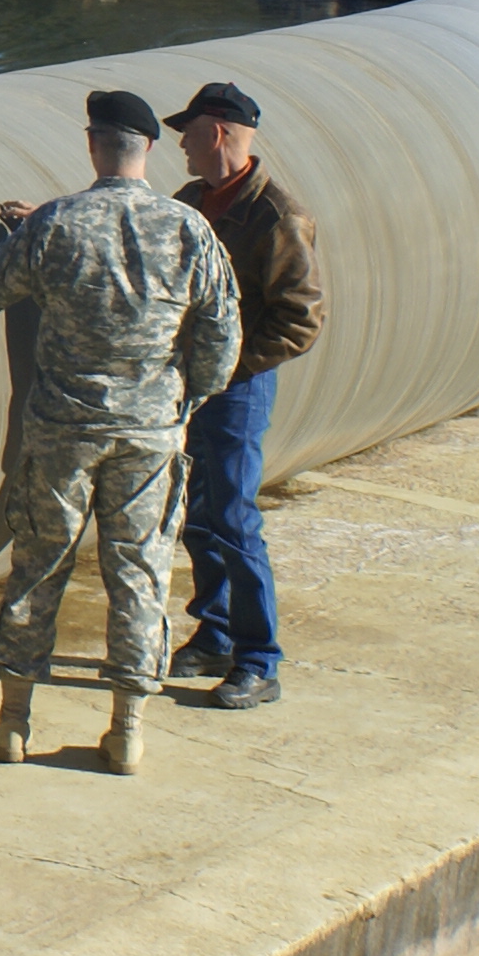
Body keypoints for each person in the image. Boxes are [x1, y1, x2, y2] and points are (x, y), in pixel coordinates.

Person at [0, 89, 241, 775]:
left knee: (39, 564)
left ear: (91, 145)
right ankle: (126, 730)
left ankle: (13, 723)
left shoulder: (57, 224)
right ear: (150, 150)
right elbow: (224, 334)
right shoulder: (187, 228)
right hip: (149, 432)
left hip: (62, 433)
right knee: (138, 573)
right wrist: (183, 396)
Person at [163, 80, 326, 712]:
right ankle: (216, 633)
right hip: (196, 386)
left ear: (219, 133)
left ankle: (259, 662)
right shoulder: (192, 202)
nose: (181, 145)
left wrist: (229, 369)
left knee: (233, 520)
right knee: (200, 515)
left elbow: (299, 319)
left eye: (189, 132)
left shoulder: (277, 217)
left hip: (236, 389)